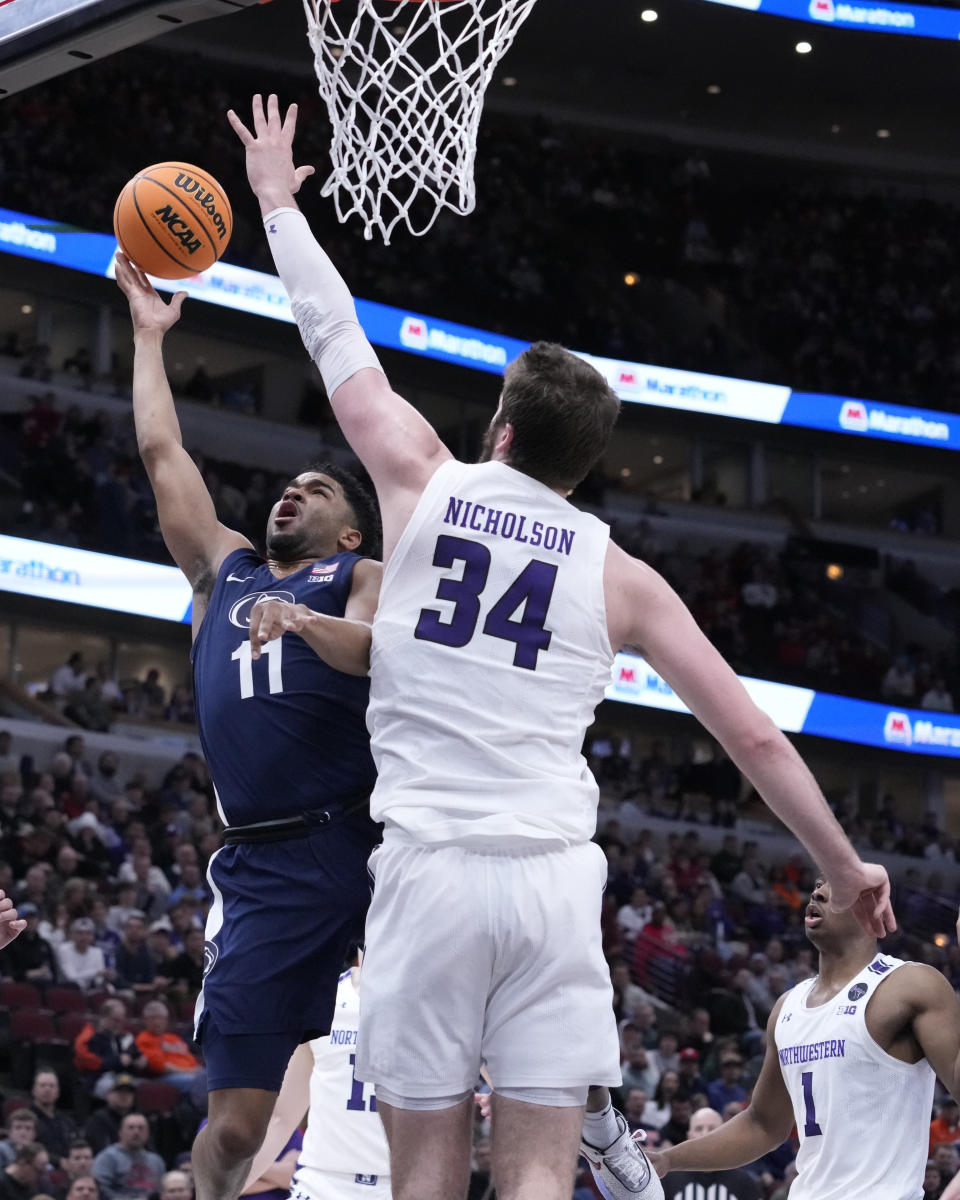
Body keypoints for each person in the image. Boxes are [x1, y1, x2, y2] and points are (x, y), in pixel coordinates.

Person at [228, 93, 895, 1200]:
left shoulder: (422, 476)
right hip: (549, 883)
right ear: (582, 471)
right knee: (541, 1177)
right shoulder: (621, 575)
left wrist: (277, 207)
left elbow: (334, 333)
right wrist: (845, 866)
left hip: (430, 869)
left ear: (500, 429)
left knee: (425, 1178)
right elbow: (753, 741)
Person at [114, 250, 383, 1200]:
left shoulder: (359, 580)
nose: (293, 491)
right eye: (290, 485)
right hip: (262, 866)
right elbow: (162, 455)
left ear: (350, 532)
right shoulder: (222, 573)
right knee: (232, 1126)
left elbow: (382, 655)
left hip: (369, 845)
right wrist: (149, 339)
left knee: (443, 1062)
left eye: (319, 490)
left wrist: (311, 619)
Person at [649, 875, 960, 1200]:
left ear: (874, 908)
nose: (818, 893)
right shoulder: (787, 1007)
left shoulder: (910, 984)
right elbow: (762, 1124)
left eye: (834, 885)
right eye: (817, 884)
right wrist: (670, 1159)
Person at [243, 951, 391, 1198]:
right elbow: (281, 1118)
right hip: (323, 1182)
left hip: (407, 1181)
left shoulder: (443, 1004)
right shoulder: (320, 1000)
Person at [661, 1108, 760, 1200]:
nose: (705, 1134)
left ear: (723, 1136)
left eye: (712, 1129)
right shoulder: (668, 1180)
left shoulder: (743, 1182)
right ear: (688, 1136)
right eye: (698, 1129)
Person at [91, 1114, 165, 1200]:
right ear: (120, 1133)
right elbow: (100, 1189)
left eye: (141, 1128)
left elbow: (162, 1190)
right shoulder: (107, 1158)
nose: (136, 1132)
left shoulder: (156, 1161)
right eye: (131, 1127)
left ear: (148, 1133)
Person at [30, 1069, 77, 1169]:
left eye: (52, 1086)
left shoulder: (67, 1122)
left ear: (58, 1092)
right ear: (34, 1090)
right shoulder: (27, 1119)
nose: (47, 1089)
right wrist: (58, 1161)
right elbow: (28, 1148)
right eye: (42, 1085)